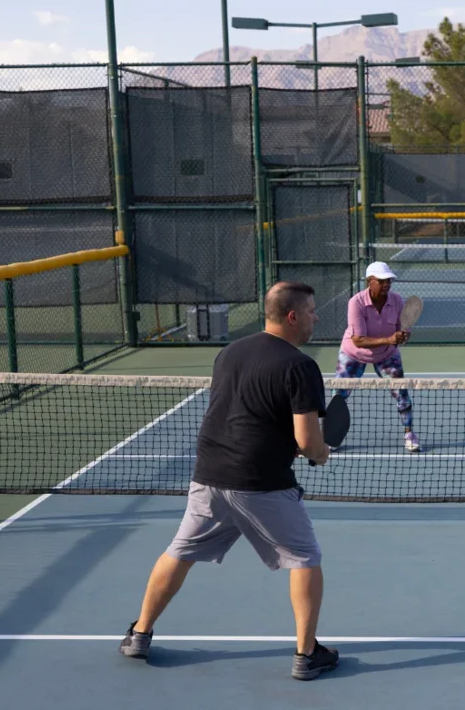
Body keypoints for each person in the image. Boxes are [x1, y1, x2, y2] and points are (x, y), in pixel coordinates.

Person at [118, 281, 339, 681]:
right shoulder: (300, 366)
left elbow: (245, 413)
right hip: (260, 483)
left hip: (210, 473)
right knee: (305, 557)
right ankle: (307, 655)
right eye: (310, 311)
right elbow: (308, 441)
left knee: (180, 551)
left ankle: (139, 633)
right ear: (292, 317)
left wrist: (286, 445)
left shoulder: (229, 352)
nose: (315, 317)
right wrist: (319, 453)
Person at [336, 261, 419, 452]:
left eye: (388, 281)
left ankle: (409, 434)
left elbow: (400, 333)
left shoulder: (397, 300)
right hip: (353, 354)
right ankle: (332, 436)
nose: (386, 284)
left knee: (402, 394)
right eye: (381, 281)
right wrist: (390, 338)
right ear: (369, 282)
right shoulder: (356, 303)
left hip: (387, 354)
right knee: (338, 397)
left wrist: (403, 336)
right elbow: (359, 340)